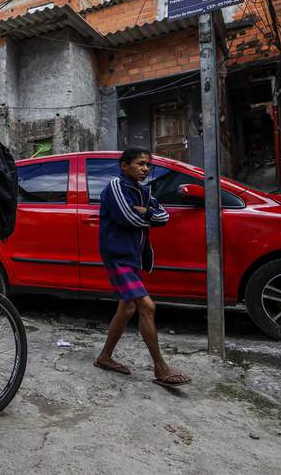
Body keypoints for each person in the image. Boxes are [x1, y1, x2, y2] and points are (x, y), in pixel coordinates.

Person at [94, 147, 191, 387]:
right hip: (117, 256)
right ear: (124, 166)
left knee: (127, 309)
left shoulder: (143, 192)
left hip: (133, 257)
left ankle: (104, 357)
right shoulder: (116, 187)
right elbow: (129, 218)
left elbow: (164, 217)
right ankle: (161, 368)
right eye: (139, 164)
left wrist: (147, 211)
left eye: (148, 164)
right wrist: (147, 216)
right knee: (147, 306)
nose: (145, 168)